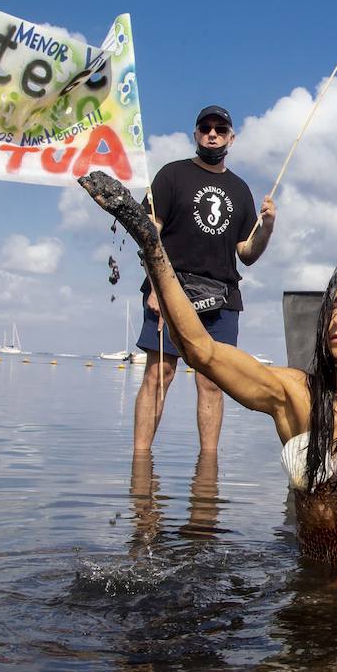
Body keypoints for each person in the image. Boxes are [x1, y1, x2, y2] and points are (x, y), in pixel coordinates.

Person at [79, 170, 337, 583]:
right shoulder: (295, 394)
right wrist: (152, 246)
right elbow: (202, 351)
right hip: (318, 548)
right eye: (335, 306)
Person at [133, 105, 276, 457]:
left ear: (231, 137)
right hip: (170, 287)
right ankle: (139, 464)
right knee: (159, 375)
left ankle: (207, 475)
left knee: (212, 383)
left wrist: (267, 228)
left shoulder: (241, 190)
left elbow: (247, 253)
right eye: (205, 128)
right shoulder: (171, 175)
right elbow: (148, 235)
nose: (212, 134)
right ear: (196, 134)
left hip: (222, 298)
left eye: (220, 129)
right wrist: (155, 286)